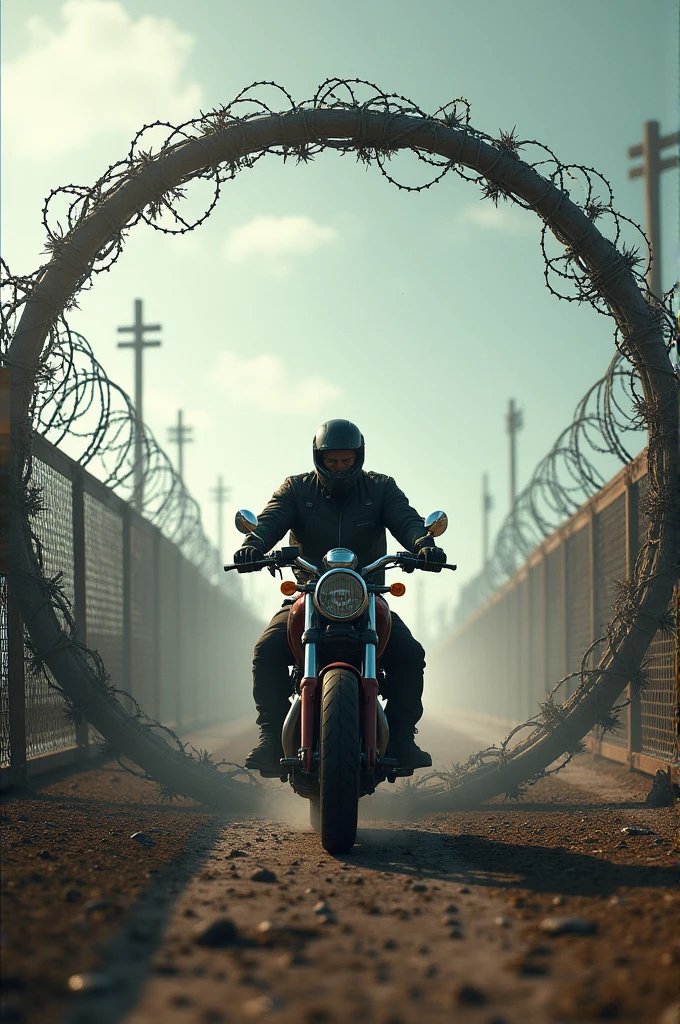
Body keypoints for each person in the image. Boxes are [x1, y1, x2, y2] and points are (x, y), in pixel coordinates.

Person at [234, 418, 447, 772]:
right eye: (332, 461)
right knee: (267, 649)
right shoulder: (297, 489)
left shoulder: (381, 488)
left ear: (358, 457)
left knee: (409, 653)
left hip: (368, 597)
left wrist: (424, 544)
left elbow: (406, 519)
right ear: (319, 458)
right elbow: (271, 519)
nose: (340, 468)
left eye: (347, 461)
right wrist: (253, 544)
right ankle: (271, 738)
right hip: (309, 595)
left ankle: (403, 739)